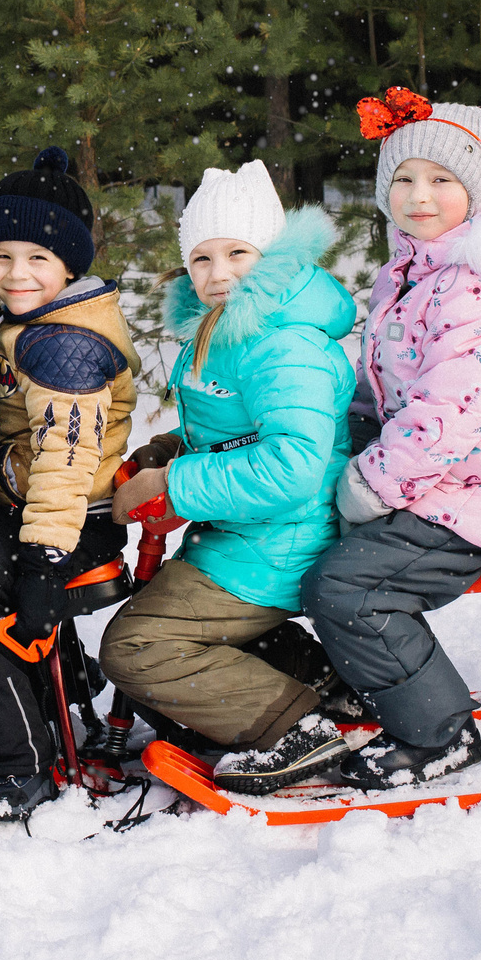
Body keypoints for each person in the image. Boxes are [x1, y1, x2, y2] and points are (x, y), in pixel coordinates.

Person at [254, 94, 481, 794]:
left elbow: (445, 419)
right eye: (403, 180)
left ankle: (439, 734)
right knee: (315, 544)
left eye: (442, 180)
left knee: (347, 586)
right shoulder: (417, 271)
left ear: (476, 190)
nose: (420, 196)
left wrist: (364, 486)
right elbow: (389, 386)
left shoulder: (475, 290)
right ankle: (347, 677)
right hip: (458, 474)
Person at [98, 161, 361, 789]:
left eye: (238, 253)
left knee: (133, 647)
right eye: (202, 259)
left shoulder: (282, 342)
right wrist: (163, 452)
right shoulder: (230, 327)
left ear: (272, 251)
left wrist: (173, 486)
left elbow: (293, 465)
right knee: (160, 628)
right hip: (246, 533)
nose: (218, 275)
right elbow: (225, 433)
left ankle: (293, 728)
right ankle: (322, 681)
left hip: (282, 538)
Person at [0, 147, 140, 825]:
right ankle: (56, 689)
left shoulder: (64, 344)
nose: (16, 273)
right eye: (2, 258)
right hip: (41, 506)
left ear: (70, 265)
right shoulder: (33, 324)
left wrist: (45, 556)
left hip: (71, 517)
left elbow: (66, 455)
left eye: (38, 259)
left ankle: (16, 765)